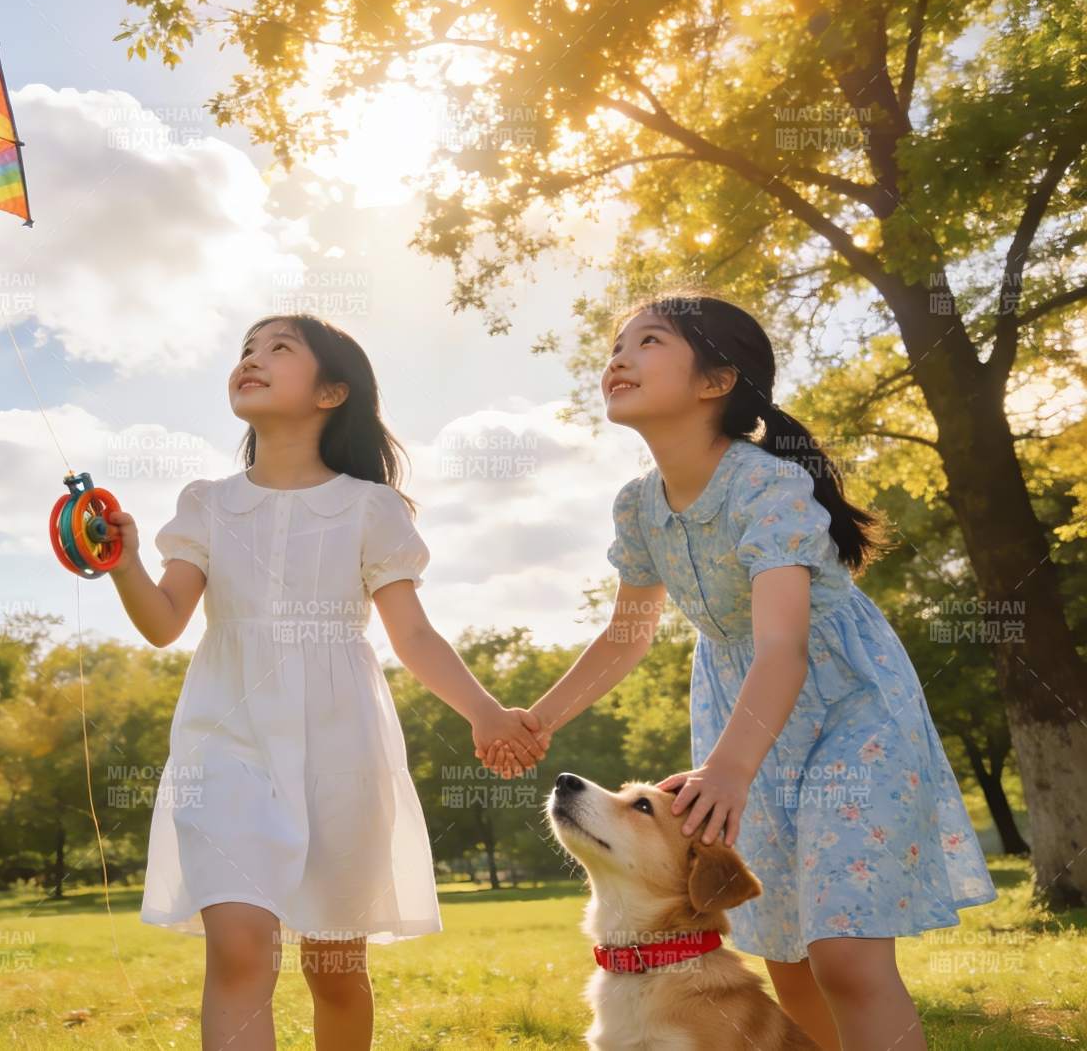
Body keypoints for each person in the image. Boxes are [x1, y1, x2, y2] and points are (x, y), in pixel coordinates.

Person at [489, 293, 997, 1051]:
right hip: (740, 717)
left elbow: (785, 647)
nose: (618, 357)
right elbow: (627, 636)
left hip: (849, 713)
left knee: (846, 956)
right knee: (787, 958)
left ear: (715, 380)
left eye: (648, 341)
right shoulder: (638, 506)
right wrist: (540, 718)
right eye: (616, 343)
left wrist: (728, 769)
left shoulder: (768, 485)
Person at [106, 313, 547, 1050]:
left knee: (335, 965)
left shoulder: (370, 507)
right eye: (247, 349)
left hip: (340, 748)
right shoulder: (207, 503)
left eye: (280, 349)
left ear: (331, 392)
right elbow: (163, 621)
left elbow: (413, 634)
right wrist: (123, 562)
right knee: (241, 945)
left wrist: (484, 711)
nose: (253, 358)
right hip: (226, 740)